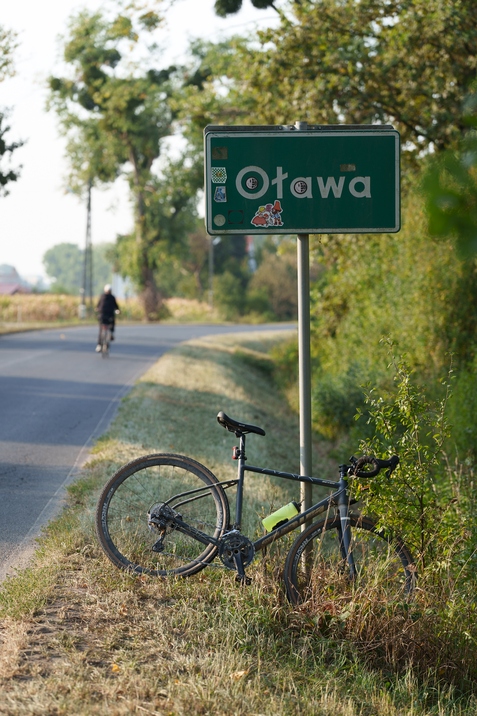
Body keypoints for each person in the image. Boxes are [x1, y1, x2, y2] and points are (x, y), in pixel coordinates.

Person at [96, 284, 120, 352]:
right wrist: (118, 310)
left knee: (101, 330)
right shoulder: (112, 297)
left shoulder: (102, 296)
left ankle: (99, 345)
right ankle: (111, 334)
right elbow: (116, 306)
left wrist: (97, 309)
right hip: (109, 316)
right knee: (110, 326)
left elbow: (98, 305)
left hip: (103, 315)